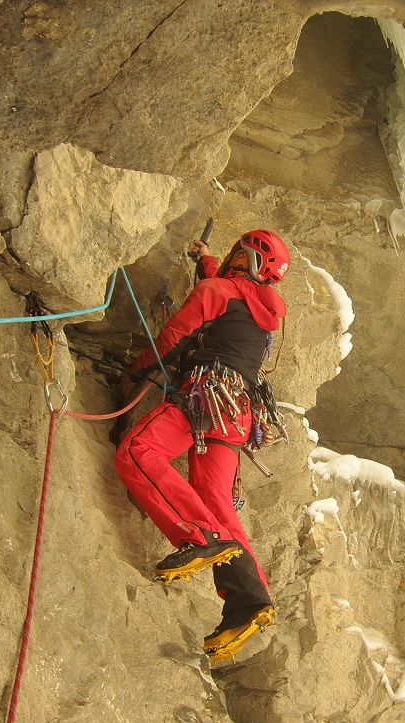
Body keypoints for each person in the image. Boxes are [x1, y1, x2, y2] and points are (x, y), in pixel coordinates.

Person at [114, 229, 290, 666]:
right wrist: (204, 259)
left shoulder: (218, 291)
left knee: (138, 450)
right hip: (239, 412)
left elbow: (173, 338)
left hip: (208, 396)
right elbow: (227, 292)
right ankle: (250, 600)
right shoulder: (263, 308)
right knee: (217, 500)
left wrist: (136, 372)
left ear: (244, 258)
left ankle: (197, 535)